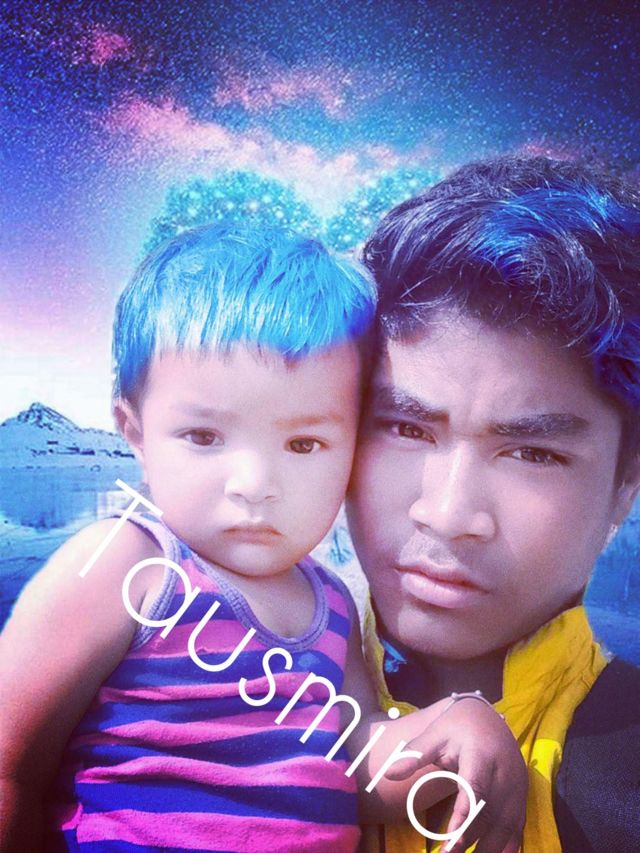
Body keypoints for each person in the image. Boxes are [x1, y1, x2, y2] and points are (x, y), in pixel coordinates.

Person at [0, 225, 526, 853]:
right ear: (134, 431)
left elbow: (357, 770)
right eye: (204, 437)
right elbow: (11, 766)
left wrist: (458, 728)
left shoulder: (332, 604)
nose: (254, 485)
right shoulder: (126, 565)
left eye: (304, 444)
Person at [343, 155, 640, 852]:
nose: (448, 514)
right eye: (406, 428)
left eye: (533, 452)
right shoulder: (191, 686)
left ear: (625, 485)